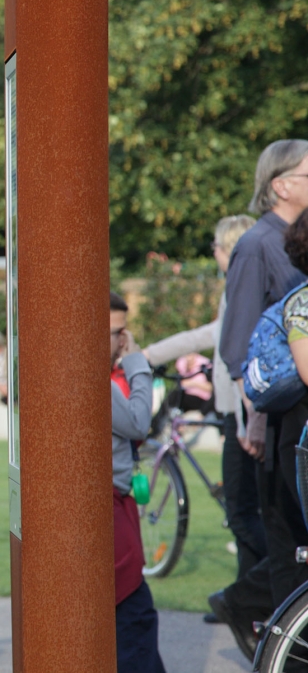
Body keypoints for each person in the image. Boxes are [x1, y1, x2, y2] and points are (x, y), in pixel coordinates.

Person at [210, 139, 308, 662]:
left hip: (293, 409)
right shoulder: (257, 245)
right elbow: (238, 341)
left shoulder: (285, 238)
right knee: (285, 535)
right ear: (282, 185)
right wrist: (250, 419)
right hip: (277, 415)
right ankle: (271, 632)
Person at [144, 215, 264, 615]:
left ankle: (250, 599)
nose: (213, 252)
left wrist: (145, 356)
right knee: (245, 512)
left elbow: (222, 339)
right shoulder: (242, 285)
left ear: (229, 247)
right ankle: (247, 599)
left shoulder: (241, 287)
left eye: (215, 245)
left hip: (242, 414)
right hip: (240, 412)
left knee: (244, 513)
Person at [109, 291, 167, 673]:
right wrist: (137, 363)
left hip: (116, 502)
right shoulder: (91, 379)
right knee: (135, 616)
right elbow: (138, 422)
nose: (122, 340)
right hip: (111, 509)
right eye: (116, 332)